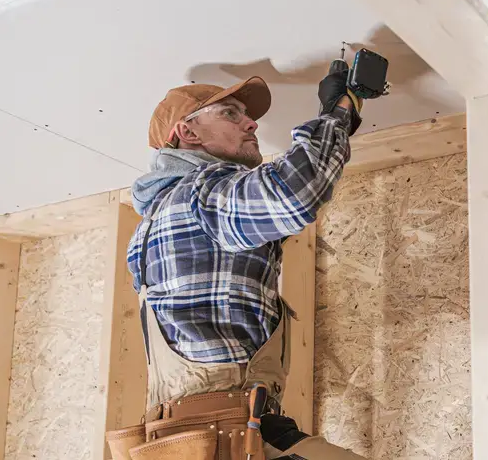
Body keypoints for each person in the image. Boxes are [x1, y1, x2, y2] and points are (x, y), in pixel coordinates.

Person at [104, 69, 372, 459]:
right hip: (223, 431)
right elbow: (294, 196)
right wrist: (337, 115)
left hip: (214, 432)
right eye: (230, 113)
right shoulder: (199, 196)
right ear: (188, 134)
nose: (251, 123)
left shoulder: (163, 218)